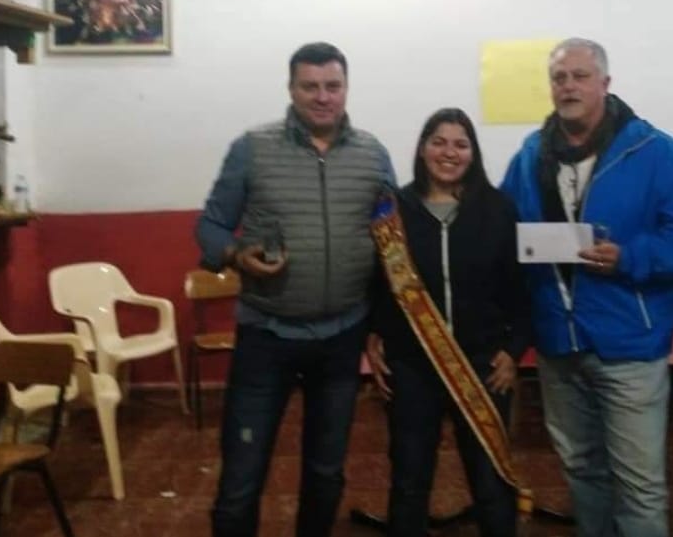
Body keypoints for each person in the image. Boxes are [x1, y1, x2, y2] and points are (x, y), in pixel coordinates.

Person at [500, 37, 673, 537]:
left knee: (639, 486)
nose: (568, 86)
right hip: (558, 345)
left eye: (580, 76)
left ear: (605, 83)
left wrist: (629, 257)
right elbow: (504, 229)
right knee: (581, 470)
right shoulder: (531, 154)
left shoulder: (655, 151)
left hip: (630, 346)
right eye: (559, 78)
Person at [195, 42, 395, 537]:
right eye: (310, 86)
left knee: (326, 473)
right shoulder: (252, 148)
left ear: (346, 88)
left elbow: (393, 241)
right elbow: (210, 227)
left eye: (332, 86)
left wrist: (383, 324)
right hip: (266, 336)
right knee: (242, 475)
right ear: (291, 89)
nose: (322, 97)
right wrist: (236, 256)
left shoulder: (373, 155)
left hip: (342, 338)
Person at [366, 107, 530, 537]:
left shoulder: (499, 210)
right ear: (422, 149)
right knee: (409, 480)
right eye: (438, 142)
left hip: (482, 366)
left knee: (491, 482)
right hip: (412, 367)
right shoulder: (392, 213)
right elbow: (377, 286)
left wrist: (513, 351)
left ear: (473, 153)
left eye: (460, 144)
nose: (449, 152)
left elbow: (520, 289)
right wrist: (374, 334)